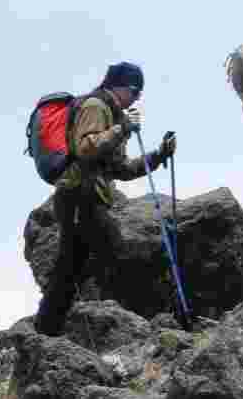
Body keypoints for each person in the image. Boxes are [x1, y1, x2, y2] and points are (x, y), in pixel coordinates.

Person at [34, 64, 176, 335]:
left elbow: (121, 169)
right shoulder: (96, 106)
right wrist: (122, 128)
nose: (137, 99)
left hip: (84, 196)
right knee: (115, 254)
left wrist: (158, 155)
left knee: (70, 267)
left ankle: (46, 331)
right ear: (119, 86)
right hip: (79, 195)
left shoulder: (113, 115)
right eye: (135, 91)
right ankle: (147, 326)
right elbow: (85, 148)